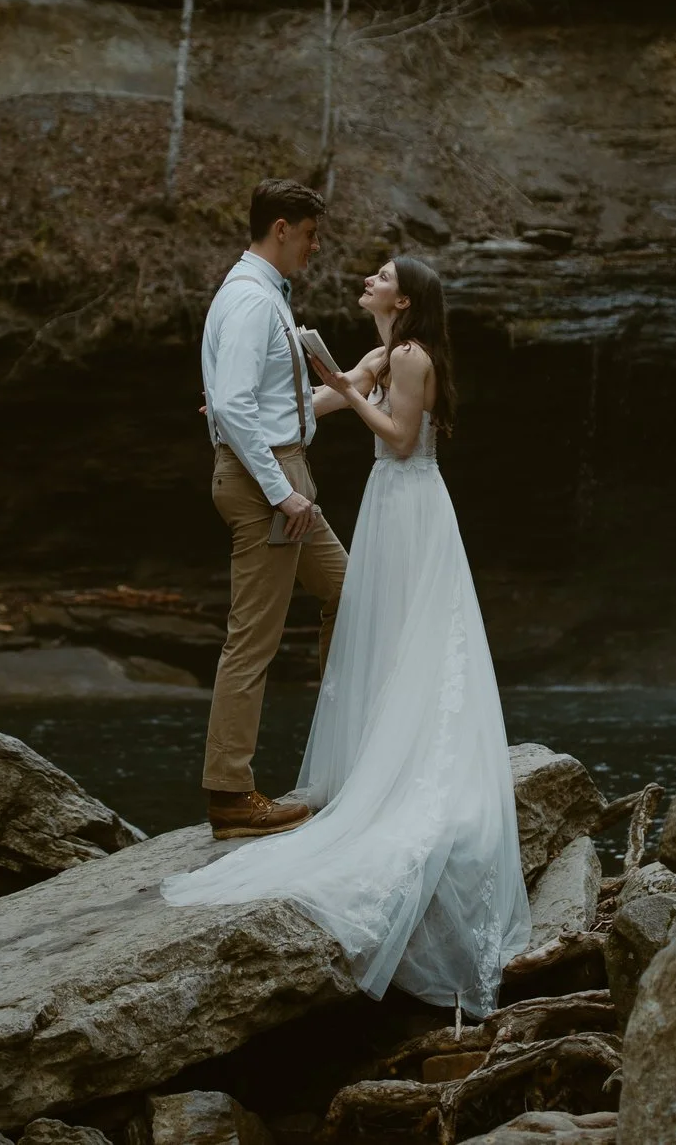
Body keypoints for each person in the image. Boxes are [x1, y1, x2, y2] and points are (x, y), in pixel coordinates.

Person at [166, 255, 531, 1017]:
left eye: (380, 274)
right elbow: (319, 412)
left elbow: (397, 436)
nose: (367, 277)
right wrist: (260, 412)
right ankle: (375, 740)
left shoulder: (408, 355)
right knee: (380, 621)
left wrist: (338, 380)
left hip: (406, 494)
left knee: (403, 627)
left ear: (404, 297)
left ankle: (399, 754)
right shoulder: (384, 354)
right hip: (393, 502)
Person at [199, 178, 349, 841]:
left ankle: (347, 742)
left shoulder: (262, 298)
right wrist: (281, 490)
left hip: (284, 474)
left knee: (351, 591)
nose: (314, 248)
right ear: (281, 227)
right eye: (311, 234)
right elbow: (231, 407)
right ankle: (230, 793)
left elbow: (245, 402)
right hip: (270, 485)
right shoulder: (251, 301)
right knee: (252, 640)